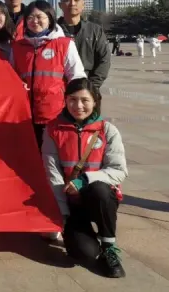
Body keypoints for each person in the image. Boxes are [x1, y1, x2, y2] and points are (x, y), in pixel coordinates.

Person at [42, 78, 128, 279]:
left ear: (95, 101)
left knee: (100, 189)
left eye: (84, 100)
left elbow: (119, 170)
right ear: (65, 100)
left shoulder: (107, 130)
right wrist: (62, 214)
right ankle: (82, 234)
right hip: (71, 202)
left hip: (98, 198)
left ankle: (109, 247)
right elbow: (52, 173)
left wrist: (85, 179)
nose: (78, 106)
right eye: (72, 99)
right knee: (83, 254)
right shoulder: (53, 130)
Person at [10, 0, 86, 148]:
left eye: (40, 17)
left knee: (52, 154)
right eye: (30, 17)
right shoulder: (17, 47)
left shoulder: (64, 44)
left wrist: (75, 106)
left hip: (55, 114)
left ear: (50, 19)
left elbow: (77, 76)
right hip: (24, 115)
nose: (35, 21)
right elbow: (11, 76)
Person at [57, 0, 111, 90]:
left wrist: (91, 87)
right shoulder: (53, 31)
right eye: (67, 0)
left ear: (83, 4)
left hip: (88, 87)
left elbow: (104, 60)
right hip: (58, 89)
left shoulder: (95, 30)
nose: (72, 3)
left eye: (77, 0)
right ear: (60, 5)